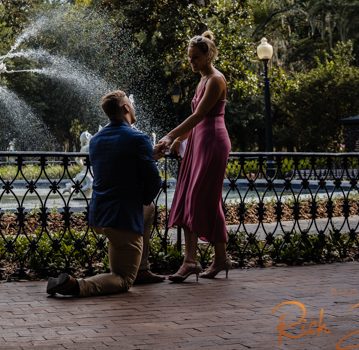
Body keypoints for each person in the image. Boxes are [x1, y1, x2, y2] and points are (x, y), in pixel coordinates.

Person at [47, 90, 164, 297]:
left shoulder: (96, 140)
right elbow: (154, 183)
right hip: (123, 217)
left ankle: (143, 268)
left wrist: (148, 156)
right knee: (123, 279)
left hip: (101, 214)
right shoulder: (139, 138)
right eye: (131, 104)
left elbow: (118, 166)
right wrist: (141, 200)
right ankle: (75, 285)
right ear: (126, 108)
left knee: (149, 210)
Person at [155, 31, 232, 282]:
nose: (192, 63)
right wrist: (180, 139)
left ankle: (199, 260)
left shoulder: (216, 80)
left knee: (201, 198)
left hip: (212, 141)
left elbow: (200, 116)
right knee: (191, 196)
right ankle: (205, 260)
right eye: (189, 58)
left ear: (209, 55)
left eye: (196, 58)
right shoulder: (202, 80)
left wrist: (168, 136)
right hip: (198, 140)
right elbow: (196, 120)